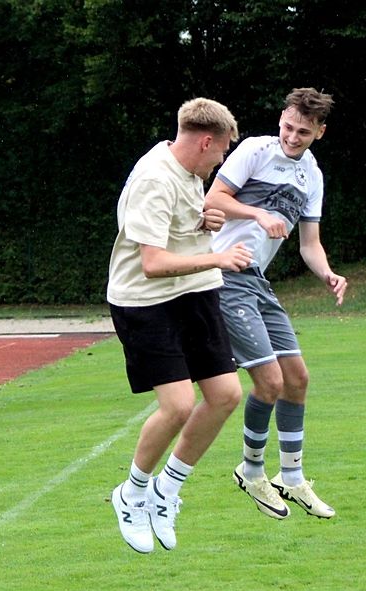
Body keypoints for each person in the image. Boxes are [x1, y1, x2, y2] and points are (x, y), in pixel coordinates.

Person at [107, 97, 253, 553]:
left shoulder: (191, 173)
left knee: (227, 395)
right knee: (177, 405)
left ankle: (166, 492)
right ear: (205, 141)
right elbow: (151, 263)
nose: (223, 160)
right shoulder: (154, 178)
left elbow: (179, 231)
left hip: (193, 292)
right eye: (223, 150)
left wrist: (204, 222)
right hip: (145, 303)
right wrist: (218, 256)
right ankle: (131, 494)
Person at [205, 87, 347, 520]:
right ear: (280, 120)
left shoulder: (314, 177)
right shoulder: (255, 150)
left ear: (319, 132)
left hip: (258, 283)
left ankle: (292, 476)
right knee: (269, 381)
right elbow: (213, 200)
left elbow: (310, 244)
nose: (292, 137)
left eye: (303, 131)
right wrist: (258, 215)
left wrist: (327, 273)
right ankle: (250, 471)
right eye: (288, 126)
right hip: (224, 275)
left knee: (297, 378)